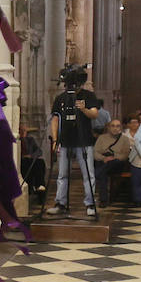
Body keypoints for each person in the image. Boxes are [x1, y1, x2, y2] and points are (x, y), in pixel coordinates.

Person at [45, 83, 100, 216]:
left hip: (84, 141)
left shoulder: (88, 95)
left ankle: (90, 203)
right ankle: (60, 203)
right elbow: (55, 119)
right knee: (62, 174)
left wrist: (83, 109)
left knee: (88, 174)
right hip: (65, 141)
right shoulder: (61, 98)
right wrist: (54, 139)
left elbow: (95, 114)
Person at [92, 118, 133, 207]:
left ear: (121, 128)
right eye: (113, 126)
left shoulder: (124, 139)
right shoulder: (102, 138)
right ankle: (103, 200)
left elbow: (125, 155)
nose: (115, 128)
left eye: (117, 126)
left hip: (117, 163)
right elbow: (95, 152)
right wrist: (104, 158)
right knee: (103, 173)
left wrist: (113, 157)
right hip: (103, 162)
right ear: (109, 127)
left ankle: (97, 174)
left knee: (106, 168)